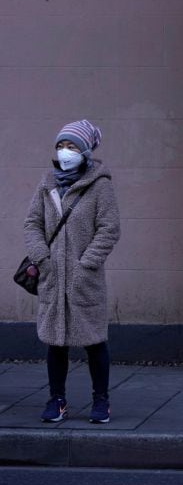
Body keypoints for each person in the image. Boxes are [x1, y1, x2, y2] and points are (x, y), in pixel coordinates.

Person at [23, 120, 121, 424]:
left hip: (84, 280)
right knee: (55, 343)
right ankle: (57, 400)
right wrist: (43, 258)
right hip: (53, 278)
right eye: (61, 145)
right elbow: (32, 224)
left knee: (94, 342)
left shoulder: (100, 185)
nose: (65, 152)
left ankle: (101, 400)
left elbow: (109, 229)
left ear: (86, 151)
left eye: (72, 146)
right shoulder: (47, 184)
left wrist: (86, 264)